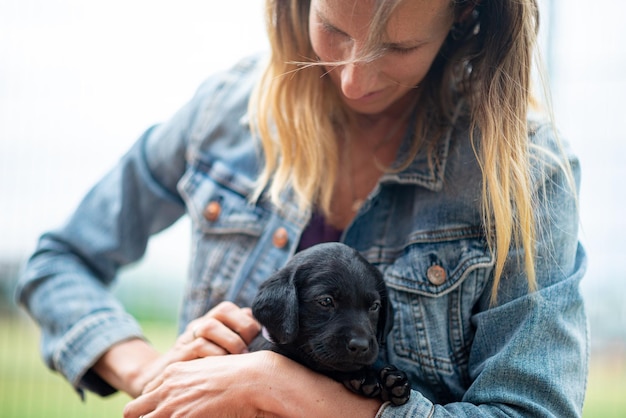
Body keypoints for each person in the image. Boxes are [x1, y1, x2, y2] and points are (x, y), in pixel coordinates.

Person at [16, 0, 588, 416]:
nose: (353, 79)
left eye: (399, 47)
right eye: (334, 28)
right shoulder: (225, 113)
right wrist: (147, 370)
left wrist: (281, 385)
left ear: (464, 16)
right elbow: (58, 261)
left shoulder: (522, 175)